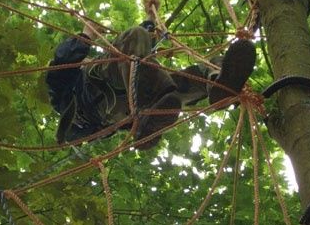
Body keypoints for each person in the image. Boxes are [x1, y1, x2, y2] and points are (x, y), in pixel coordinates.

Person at [46, 20, 256, 150]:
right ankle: (148, 112)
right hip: (106, 100)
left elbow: (136, 55)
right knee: (135, 36)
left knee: (204, 68)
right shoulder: (64, 89)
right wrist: (86, 35)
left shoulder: (121, 66)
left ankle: (218, 83)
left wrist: (151, 22)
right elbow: (63, 60)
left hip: (145, 96)